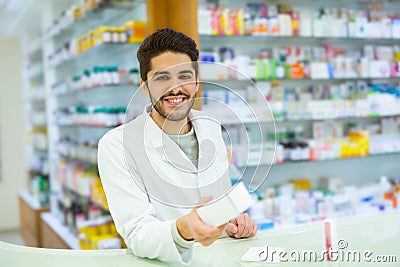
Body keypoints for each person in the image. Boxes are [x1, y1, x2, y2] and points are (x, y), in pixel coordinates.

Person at [97, 28, 257, 264]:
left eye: (184, 76)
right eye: (162, 77)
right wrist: (184, 229)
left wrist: (234, 221)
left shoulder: (211, 126)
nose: (175, 88)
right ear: (144, 85)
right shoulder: (117, 145)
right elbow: (137, 232)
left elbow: (217, 205)